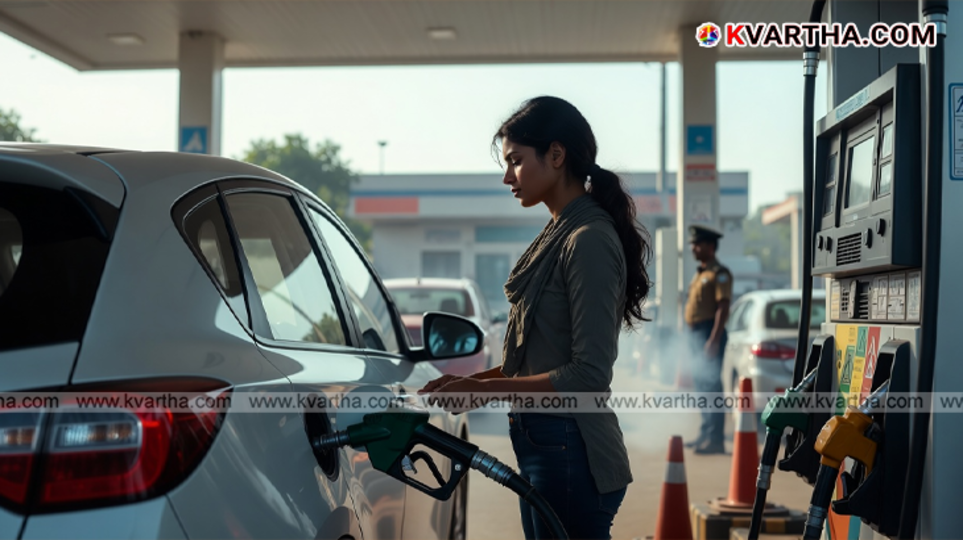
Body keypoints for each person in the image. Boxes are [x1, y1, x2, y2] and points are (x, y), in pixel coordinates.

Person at [417, 96, 652, 540]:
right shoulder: (560, 232)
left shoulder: (587, 239)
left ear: (556, 155)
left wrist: (486, 390)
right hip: (547, 446)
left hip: (571, 449)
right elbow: (536, 361)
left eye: (516, 161)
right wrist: (473, 384)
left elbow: (588, 374)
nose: (507, 177)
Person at [683, 224, 732, 455]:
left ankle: (715, 439)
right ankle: (705, 433)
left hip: (708, 332)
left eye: (697, 244)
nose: (693, 248)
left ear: (710, 246)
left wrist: (713, 339)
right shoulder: (700, 273)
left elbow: (723, 307)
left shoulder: (719, 273)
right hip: (695, 334)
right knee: (701, 386)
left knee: (711, 386)